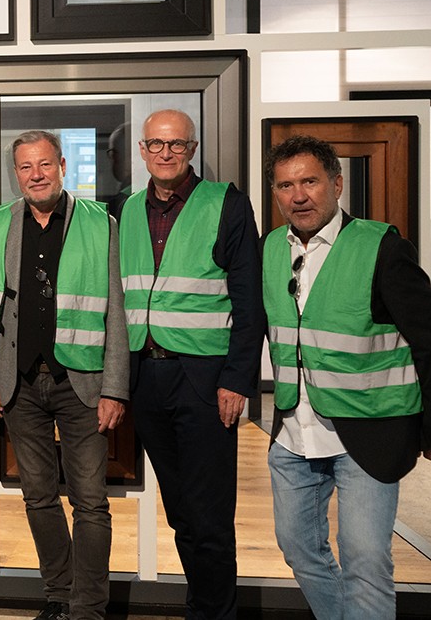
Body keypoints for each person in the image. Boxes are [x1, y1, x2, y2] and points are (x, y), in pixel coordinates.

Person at [262, 135, 431, 620]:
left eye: (310, 181)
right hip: (294, 437)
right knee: (299, 550)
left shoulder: (382, 246)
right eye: (285, 185)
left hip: (369, 436)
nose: (298, 196)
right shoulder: (270, 247)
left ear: (336, 184)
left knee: (366, 563)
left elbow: (428, 338)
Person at [0, 131, 128, 620]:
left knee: (90, 503)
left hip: (82, 384)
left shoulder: (101, 223)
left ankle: (89, 609)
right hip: (17, 382)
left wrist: (115, 387)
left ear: (62, 164)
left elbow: (118, 311)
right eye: (25, 167)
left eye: (44, 164)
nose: (36, 174)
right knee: (39, 499)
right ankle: (58, 598)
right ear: (15, 173)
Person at [118, 109, 264, 620]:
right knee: (181, 512)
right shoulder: (129, 210)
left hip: (204, 381)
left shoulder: (225, 204)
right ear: (141, 150)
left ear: (192, 149)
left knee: (210, 516)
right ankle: (199, 605)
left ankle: (215, 614)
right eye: (155, 144)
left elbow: (250, 303)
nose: (164, 153)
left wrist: (237, 380)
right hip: (147, 377)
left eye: (176, 145)